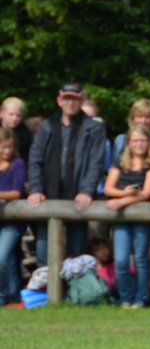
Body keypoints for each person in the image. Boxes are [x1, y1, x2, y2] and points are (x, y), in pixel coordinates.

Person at [26, 83, 109, 261]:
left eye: (74, 99)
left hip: (78, 199)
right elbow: (35, 160)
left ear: (81, 101)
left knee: (76, 254)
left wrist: (86, 191)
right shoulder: (46, 127)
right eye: (66, 98)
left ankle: (73, 289)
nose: (70, 103)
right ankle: (45, 289)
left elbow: (96, 163)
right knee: (43, 251)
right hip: (47, 196)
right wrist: (35, 189)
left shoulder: (94, 128)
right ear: (59, 100)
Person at [103, 126, 150, 308]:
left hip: (142, 218)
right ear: (128, 143)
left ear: (149, 143)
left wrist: (121, 201)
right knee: (121, 259)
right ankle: (125, 297)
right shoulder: (120, 162)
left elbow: (146, 193)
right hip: (122, 219)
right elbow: (108, 188)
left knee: (141, 258)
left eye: (143, 141)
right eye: (135, 141)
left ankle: (140, 298)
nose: (139, 144)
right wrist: (124, 192)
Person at [0, 130, 30, 306]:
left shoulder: (17, 164)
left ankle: (2, 297)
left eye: (10, 147)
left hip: (13, 220)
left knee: (2, 257)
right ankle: (12, 295)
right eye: (3, 147)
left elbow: (16, 192)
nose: (7, 151)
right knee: (9, 260)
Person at [110, 99, 150, 171]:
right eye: (139, 116)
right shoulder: (121, 140)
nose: (143, 121)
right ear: (133, 118)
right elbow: (113, 168)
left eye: (147, 117)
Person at [1, 95, 32, 166]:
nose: (14, 119)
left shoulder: (25, 134)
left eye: (18, 116)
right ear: (1, 113)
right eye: (11, 114)